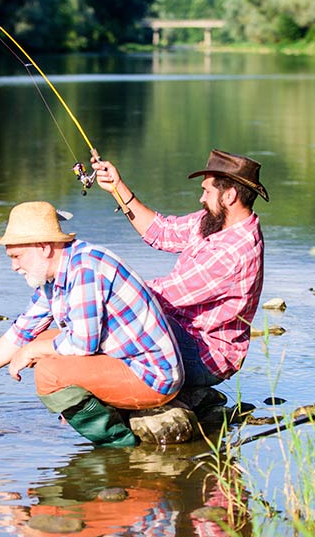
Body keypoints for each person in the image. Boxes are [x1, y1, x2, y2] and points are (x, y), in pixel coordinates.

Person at [0, 201, 183, 447]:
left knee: (49, 373)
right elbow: (20, 333)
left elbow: (82, 344)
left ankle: (118, 444)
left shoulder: (85, 268)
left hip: (152, 377)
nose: (14, 266)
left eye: (17, 256)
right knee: (41, 342)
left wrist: (31, 352)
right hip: (126, 361)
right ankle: (113, 414)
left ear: (44, 247)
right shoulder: (55, 276)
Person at [91, 148, 267, 400]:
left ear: (229, 196)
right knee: (111, 321)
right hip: (183, 332)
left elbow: (165, 294)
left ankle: (108, 405)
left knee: (116, 321)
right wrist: (118, 187)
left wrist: (101, 293)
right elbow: (161, 231)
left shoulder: (234, 251)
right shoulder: (216, 221)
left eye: (206, 191)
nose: (201, 199)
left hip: (205, 356)